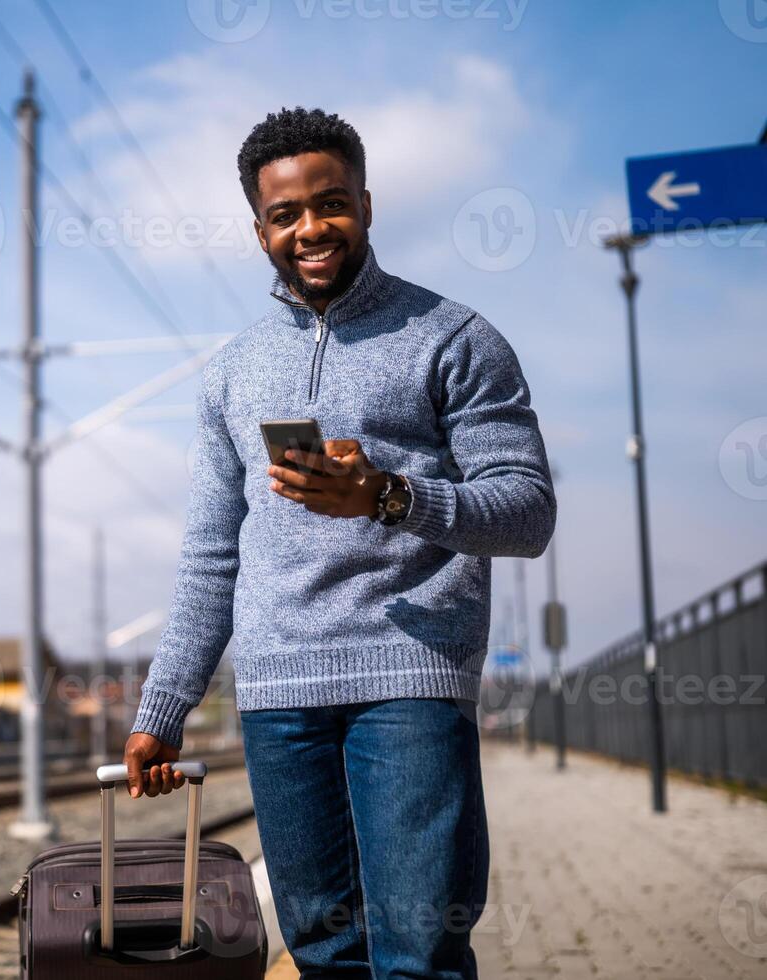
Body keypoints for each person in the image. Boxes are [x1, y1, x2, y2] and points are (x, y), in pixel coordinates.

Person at [122, 107, 555, 980]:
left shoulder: (456, 339)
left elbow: (527, 510)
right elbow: (212, 554)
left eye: (331, 204)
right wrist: (161, 710)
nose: (311, 229)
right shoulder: (232, 373)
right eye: (286, 215)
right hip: (280, 693)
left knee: (418, 953)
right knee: (322, 953)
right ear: (260, 229)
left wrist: (388, 495)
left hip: (411, 683)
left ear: (366, 202)